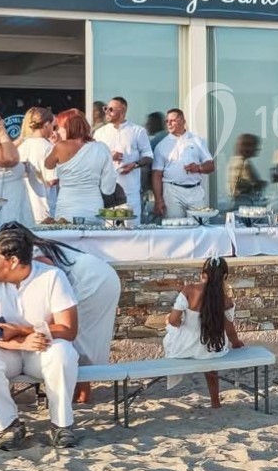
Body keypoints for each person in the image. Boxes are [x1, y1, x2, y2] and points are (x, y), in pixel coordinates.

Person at [0, 228, 80, 450]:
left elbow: (68, 329)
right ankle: (8, 425)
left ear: (14, 261)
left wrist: (23, 330)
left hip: (41, 349)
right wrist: (17, 342)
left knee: (63, 352)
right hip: (6, 351)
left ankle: (62, 425)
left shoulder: (51, 276)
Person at [0, 223, 121, 403]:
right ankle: (79, 389)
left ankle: (76, 391)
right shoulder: (38, 247)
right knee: (85, 338)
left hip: (91, 285)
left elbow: (53, 284)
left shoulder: (35, 256)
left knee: (74, 336)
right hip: (104, 277)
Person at [162, 256, 245, 408]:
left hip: (185, 348)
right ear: (225, 277)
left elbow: (174, 321)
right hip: (213, 349)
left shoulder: (189, 290)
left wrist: (172, 321)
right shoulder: (225, 300)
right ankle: (215, 401)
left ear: (203, 274)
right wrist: (237, 342)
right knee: (209, 346)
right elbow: (230, 329)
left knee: (168, 321)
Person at [47, 109, 118, 222]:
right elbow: (108, 188)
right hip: (94, 208)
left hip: (67, 208)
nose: (57, 131)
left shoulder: (60, 147)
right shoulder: (102, 148)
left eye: (59, 127)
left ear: (68, 127)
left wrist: (53, 144)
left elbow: (48, 165)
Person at [93, 97, 153, 221]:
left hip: (130, 190)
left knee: (132, 229)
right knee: (107, 230)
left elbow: (148, 156)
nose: (107, 112)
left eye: (111, 109)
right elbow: (93, 159)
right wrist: (109, 156)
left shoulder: (137, 131)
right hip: (106, 191)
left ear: (123, 111)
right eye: (105, 109)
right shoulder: (99, 133)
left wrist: (134, 164)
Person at [152, 108, 215, 218]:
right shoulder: (161, 145)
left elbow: (210, 165)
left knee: (200, 227)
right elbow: (156, 175)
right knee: (175, 227)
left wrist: (199, 168)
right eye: (167, 121)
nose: (169, 124)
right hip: (172, 190)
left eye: (173, 120)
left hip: (195, 190)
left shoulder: (197, 140)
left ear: (183, 121)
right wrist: (158, 200)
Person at [16, 107, 57, 224]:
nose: (53, 130)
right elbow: (52, 180)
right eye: (53, 126)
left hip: (26, 207)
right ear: (46, 124)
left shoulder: (22, 146)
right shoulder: (48, 148)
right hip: (45, 208)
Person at [227, 133, 267, 208]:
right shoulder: (242, 163)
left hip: (242, 203)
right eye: (255, 146)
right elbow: (252, 183)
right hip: (244, 204)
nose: (257, 149)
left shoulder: (237, 160)